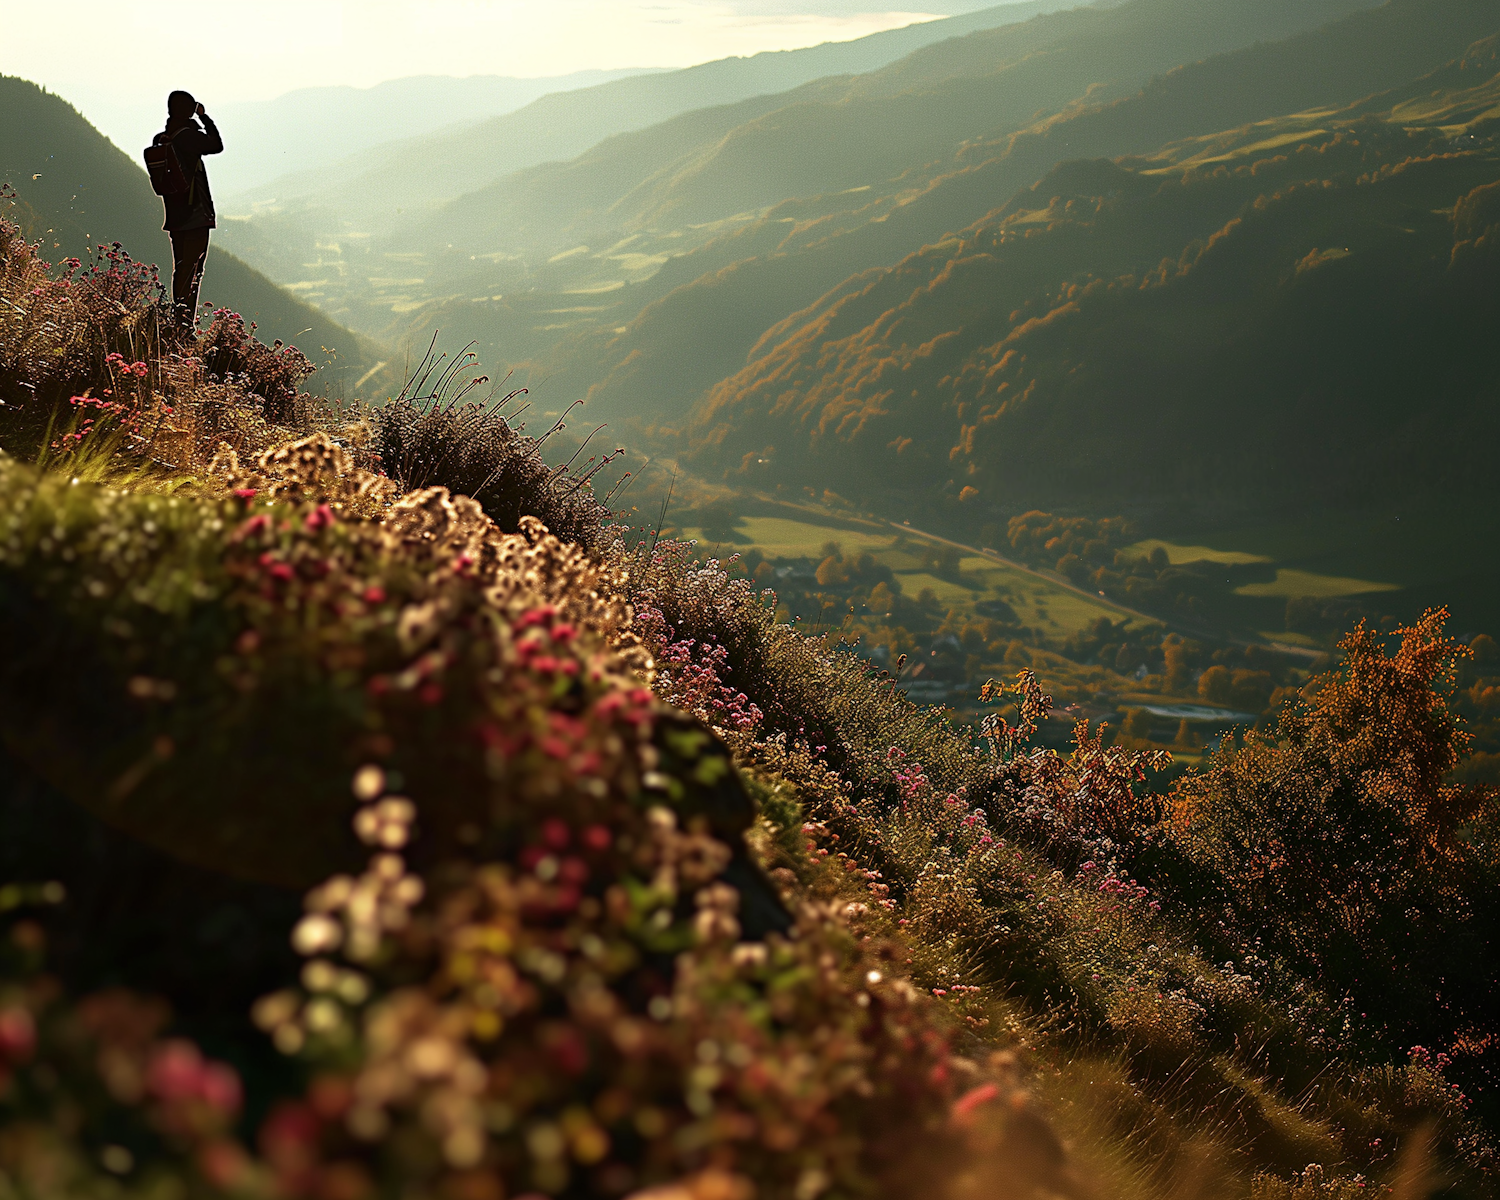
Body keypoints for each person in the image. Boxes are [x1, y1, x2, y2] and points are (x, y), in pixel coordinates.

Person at [152, 90, 223, 326]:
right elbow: (216, 145)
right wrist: (205, 118)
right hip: (194, 216)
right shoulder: (187, 138)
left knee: (181, 269)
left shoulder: (163, 138)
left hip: (175, 216)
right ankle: (184, 324)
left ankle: (179, 319)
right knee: (193, 271)